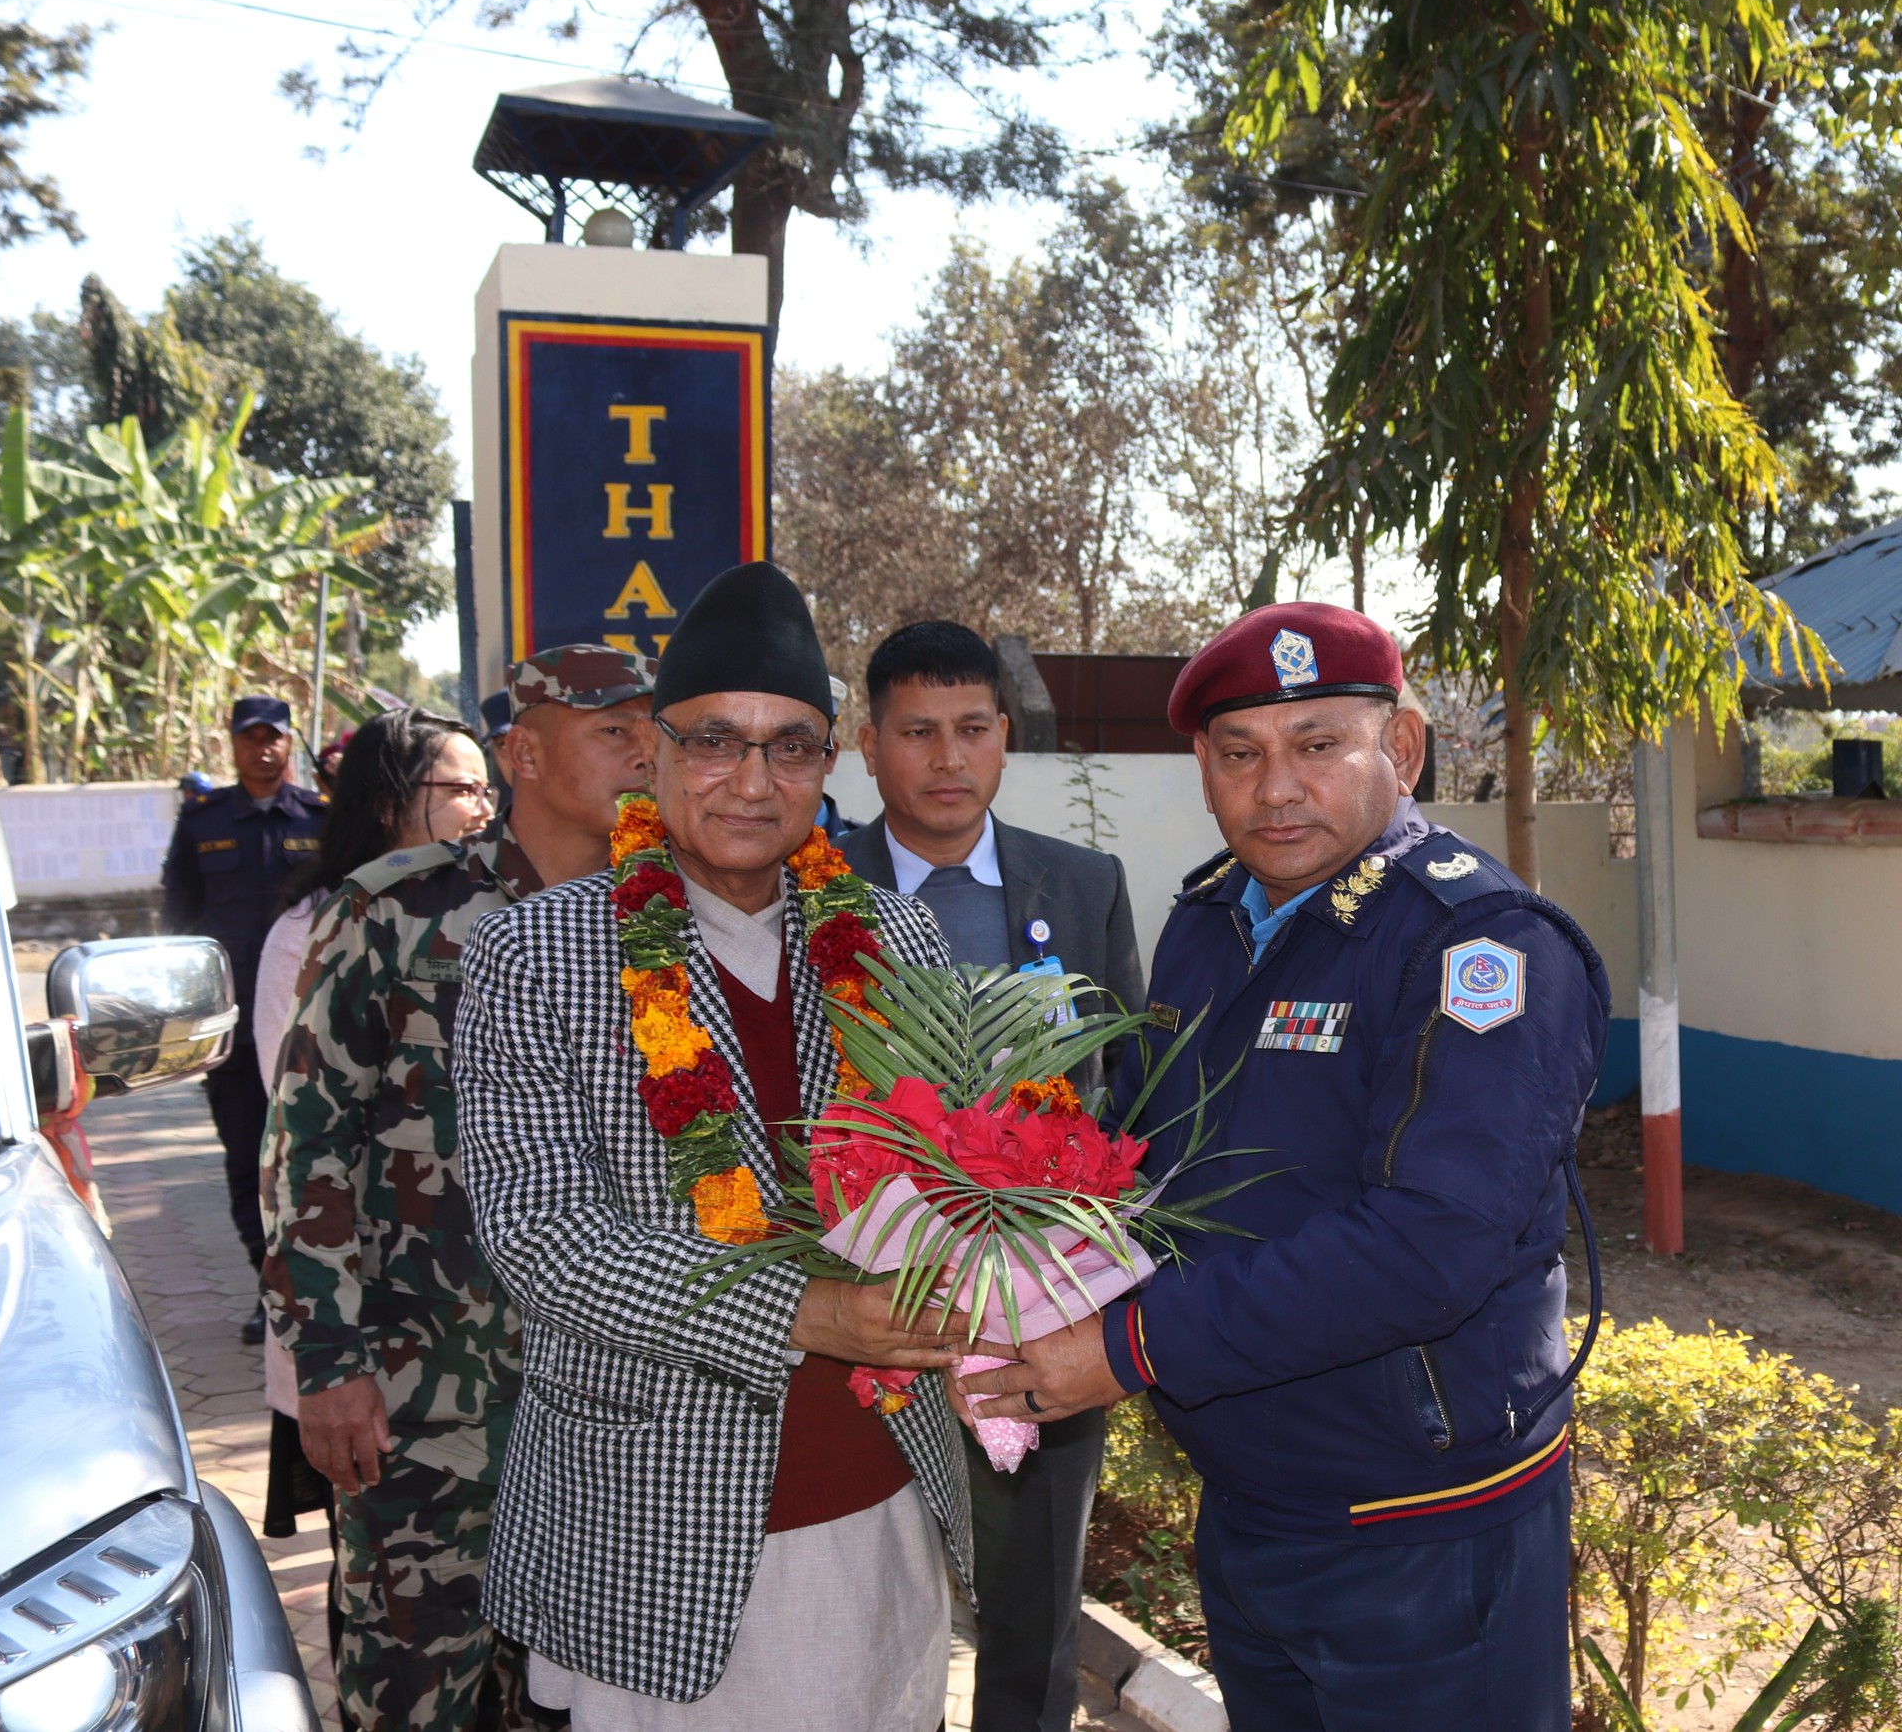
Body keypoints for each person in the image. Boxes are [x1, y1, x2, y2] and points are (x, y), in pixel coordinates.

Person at [956, 603, 1611, 1732]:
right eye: (1238, 753)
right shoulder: (1212, 918)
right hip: (1256, 1505)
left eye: (1317, 744)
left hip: (1420, 1525)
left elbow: (1426, 1243)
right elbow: (1162, 1164)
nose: (1274, 788)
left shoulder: (1479, 944)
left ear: (1396, 750)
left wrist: (1123, 1344)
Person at [457, 563, 970, 1732]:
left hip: (876, 1490)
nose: (751, 780)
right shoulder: (535, 954)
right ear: (655, 750)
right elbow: (543, 1238)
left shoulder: (895, 935)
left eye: (789, 746)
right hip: (649, 1517)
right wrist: (808, 1313)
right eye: (713, 741)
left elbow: (951, 1172)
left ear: (826, 763)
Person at [262, 649, 656, 1732]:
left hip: (603, 1407)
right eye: (609, 730)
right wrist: (331, 1362)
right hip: (424, 1400)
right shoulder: (400, 911)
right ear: (523, 753)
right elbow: (309, 1138)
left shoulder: (665, 923)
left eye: (648, 729)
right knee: (415, 1698)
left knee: (573, 1704)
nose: (643, 751)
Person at [840, 618, 1144, 1732]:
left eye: (970, 728)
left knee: (1031, 1620)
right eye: (915, 731)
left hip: (1043, 1318)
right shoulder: (809, 893)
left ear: (1003, 738)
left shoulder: (1082, 882)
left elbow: (1127, 1091)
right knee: (870, 1609)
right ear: (866, 746)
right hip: (868, 1315)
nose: (946, 757)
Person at [161, 692, 325, 1340]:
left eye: (274, 737)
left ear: (289, 742)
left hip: (305, 1021)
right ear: (231, 744)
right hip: (231, 1024)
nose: (263, 748)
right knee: (245, 1158)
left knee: (309, 1154)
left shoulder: (321, 817)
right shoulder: (201, 822)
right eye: (250, 737)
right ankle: (268, 1284)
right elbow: (178, 920)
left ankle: (312, 1281)